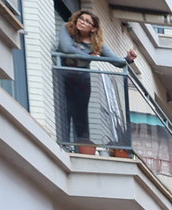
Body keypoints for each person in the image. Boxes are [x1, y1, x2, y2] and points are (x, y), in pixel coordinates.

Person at [56, 11, 132, 149]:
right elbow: (65, 48)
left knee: (81, 116)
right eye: (81, 19)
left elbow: (117, 62)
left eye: (87, 21)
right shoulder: (68, 28)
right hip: (64, 75)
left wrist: (128, 59)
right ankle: (64, 145)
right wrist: (89, 56)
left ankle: (81, 147)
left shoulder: (97, 44)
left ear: (94, 28)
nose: (82, 22)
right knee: (65, 110)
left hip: (82, 80)